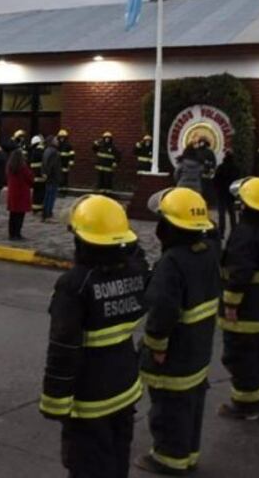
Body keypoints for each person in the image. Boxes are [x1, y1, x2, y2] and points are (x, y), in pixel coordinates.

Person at [39, 195, 147, 478]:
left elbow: (63, 348)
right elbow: (138, 257)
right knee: (118, 459)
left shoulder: (74, 285)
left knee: (87, 466)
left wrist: (55, 400)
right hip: (125, 387)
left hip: (89, 398)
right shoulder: (136, 272)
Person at [138, 187, 219, 475]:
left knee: (169, 405)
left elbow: (162, 310)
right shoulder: (208, 251)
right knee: (192, 401)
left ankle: (168, 459)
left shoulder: (172, 262)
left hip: (175, 350)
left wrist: (156, 345)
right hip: (199, 345)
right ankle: (188, 454)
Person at [217, 177, 259, 420]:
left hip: (246, 308)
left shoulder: (244, 233)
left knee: (240, 356)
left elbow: (240, 272)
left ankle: (246, 405)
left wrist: (231, 303)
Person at [5, 149, 33, 240]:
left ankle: (11, 234)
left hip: (13, 193)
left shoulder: (9, 167)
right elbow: (30, 178)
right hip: (22, 193)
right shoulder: (23, 167)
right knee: (20, 215)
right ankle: (17, 233)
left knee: (13, 215)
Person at [214, 148, 240, 238]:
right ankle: (234, 231)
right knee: (232, 213)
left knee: (222, 214)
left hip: (221, 193)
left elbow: (216, 180)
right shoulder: (236, 168)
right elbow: (237, 181)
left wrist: (217, 189)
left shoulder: (221, 167)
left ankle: (221, 232)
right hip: (231, 193)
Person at [42, 135, 62, 221]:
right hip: (53, 178)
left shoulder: (46, 150)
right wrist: (52, 175)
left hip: (48, 177)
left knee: (47, 196)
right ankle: (48, 214)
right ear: (52, 142)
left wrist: (44, 174)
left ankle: (45, 213)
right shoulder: (54, 152)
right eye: (55, 140)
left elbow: (44, 164)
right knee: (51, 196)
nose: (57, 141)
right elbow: (52, 166)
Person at [28, 135, 46, 214]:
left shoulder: (32, 151)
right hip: (40, 176)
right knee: (40, 193)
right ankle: (38, 208)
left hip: (34, 176)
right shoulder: (40, 151)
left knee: (36, 192)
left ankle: (35, 208)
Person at [56, 129, 75, 194]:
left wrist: (71, 162)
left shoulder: (68, 145)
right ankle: (59, 191)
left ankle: (64, 192)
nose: (62, 138)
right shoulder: (57, 145)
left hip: (65, 164)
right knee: (58, 178)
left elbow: (72, 154)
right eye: (60, 137)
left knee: (64, 178)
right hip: (58, 164)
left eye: (63, 137)